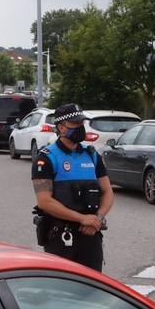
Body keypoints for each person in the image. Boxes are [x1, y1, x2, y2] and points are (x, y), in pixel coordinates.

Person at [31, 102, 114, 271]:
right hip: (61, 236)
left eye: (82, 123)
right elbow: (44, 201)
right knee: (61, 290)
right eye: (75, 124)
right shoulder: (46, 158)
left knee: (93, 288)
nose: (81, 127)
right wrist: (82, 218)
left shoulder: (92, 155)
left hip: (91, 234)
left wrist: (97, 218)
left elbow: (107, 192)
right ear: (61, 128)